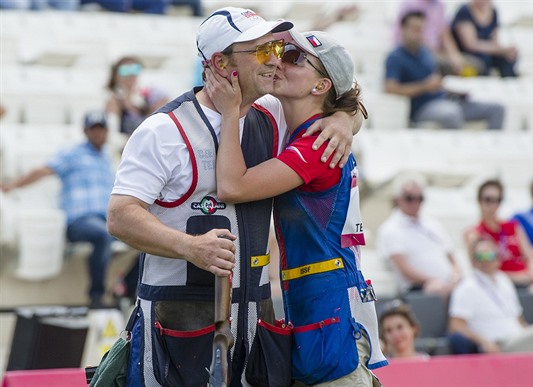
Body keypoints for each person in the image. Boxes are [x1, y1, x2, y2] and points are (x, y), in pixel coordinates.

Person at [106, 7, 361, 386]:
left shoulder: (273, 111)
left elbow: (335, 90)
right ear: (221, 63)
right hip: (177, 329)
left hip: (256, 330)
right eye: (262, 52)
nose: (275, 60)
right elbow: (120, 216)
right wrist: (189, 247)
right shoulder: (162, 129)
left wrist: (346, 118)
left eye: (276, 48)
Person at [206, 28, 387, 386]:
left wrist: (229, 113)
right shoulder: (306, 128)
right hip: (321, 299)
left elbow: (232, 186)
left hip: (329, 305)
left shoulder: (316, 143)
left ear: (320, 87)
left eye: (292, 57)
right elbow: (351, 105)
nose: (276, 60)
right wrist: (346, 116)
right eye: (278, 50)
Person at [0, 111, 115, 307]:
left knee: (142, 240)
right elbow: (43, 171)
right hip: (80, 220)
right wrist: (14, 185)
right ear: (85, 131)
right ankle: (97, 296)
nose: (97, 133)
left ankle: (127, 290)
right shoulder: (73, 152)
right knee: (102, 235)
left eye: (101, 129)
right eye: (93, 129)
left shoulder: (106, 157)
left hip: (106, 219)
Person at [384, 10, 505, 130]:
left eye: (421, 29)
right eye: (414, 29)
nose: (418, 33)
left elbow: (435, 83)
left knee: (497, 109)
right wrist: (424, 86)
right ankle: (462, 148)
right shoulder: (395, 57)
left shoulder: (426, 53)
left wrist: (454, 92)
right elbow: (390, 88)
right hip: (423, 107)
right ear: (403, 29)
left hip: (447, 99)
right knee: (452, 114)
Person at [448, 238, 533, 354]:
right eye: (481, 256)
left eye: (489, 255)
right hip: (501, 345)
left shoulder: (503, 280)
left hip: (520, 338)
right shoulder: (467, 286)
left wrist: (531, 333)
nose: (486, 260)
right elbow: (456, 325)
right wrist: (484, 343)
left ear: (498, 257)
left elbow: (519, 319)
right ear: (473, 260)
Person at [377, 174, 461, 297]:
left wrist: (455, 277)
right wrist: (433, 281)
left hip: (445, 284)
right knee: (439, 290)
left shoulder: (433, 223)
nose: (415, 202)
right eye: (410, 198)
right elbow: (405, 270)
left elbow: (452, 257)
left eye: (420, 198)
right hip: (419, 288)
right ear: (398, 199)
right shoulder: (390, 229)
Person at [464, 179, 533, 295]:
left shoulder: (513, 226)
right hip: (499, 284)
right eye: (488, 200)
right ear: (479, 201)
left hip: (525, 281)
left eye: (497, 200)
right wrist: (517, 278)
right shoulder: (474, 233)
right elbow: (480, 268)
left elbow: (530, 255)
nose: (493, 204)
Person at [393, 0, 475, 76]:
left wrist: (455, 55)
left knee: (474, 65)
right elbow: (414, 35)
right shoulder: (411, 4)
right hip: (416, 51)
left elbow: (444, 34)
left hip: (438, 51)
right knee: (443, 66)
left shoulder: (439, 5)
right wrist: (437, 53)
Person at [105, 56, 169, 142]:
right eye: (125, 70)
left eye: (135, 69)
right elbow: (112, 134)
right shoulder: (114, 101)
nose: (130, 75)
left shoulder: (146, 96)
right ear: (116, 75)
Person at [451, 0, 518, 77]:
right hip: (469, 53)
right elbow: (470, 44)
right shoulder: (465, 12)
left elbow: (494, 41)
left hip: (486, 50)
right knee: (483, 60)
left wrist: (505, 51)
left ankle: (508, 81)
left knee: (507, 58)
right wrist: (500, 49)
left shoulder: (493, 12)